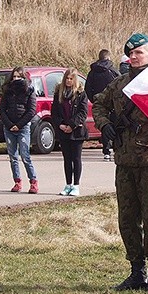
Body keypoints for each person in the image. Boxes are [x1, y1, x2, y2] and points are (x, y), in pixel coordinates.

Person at [93, 33, 148, 293]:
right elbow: (98, 105)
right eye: (130, 54)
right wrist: (105, 125)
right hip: (125, 161)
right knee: (127, 221)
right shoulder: (119, 84)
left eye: (139, 53)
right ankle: (136, 272)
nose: (133, 57)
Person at [0, 66, 38, 193]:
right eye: (14, 76)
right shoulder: (8, 90)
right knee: (13, 156)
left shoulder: (29, 90)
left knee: (25, 155)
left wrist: (19, 125)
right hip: (9, 127)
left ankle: (33, 181)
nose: (16, 79)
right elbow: (2, 110)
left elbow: (31, 111)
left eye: (18, 77)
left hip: (23, 127)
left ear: (24, 78)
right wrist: (9, 124)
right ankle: (17, 181)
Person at [52, 68, 89, 197]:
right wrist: (61, 125)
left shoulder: (81, 93)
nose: (68, 81)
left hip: (77, 131)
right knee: (67, 159)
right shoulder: (59, 93)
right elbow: (55, 112)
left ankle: (76, 185)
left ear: (75, 80)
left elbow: (83, 113)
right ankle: (68, 184)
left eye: (71, 79)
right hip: (63, 131)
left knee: (76, 158)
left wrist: (71, 125)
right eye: (67, 78)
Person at [85, 49, 120, 161]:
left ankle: (106, 151)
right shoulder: (113, 71)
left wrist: (95, 100)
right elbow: (120, 86)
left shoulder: (92, 72)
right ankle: (116, 149)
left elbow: (87, 88)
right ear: (108, 58)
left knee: (104, 126)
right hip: (113, 104)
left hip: (99, 103)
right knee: (116, 126)